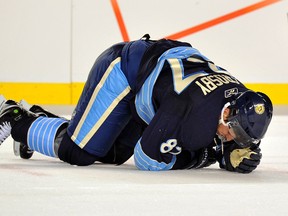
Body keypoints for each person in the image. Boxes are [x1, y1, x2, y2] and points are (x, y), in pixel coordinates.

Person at [0, 34, 273, 173]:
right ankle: (14, 116)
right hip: (124, 72)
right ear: (226, 112)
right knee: (79, 153)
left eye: (238, 135)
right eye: (232, 132)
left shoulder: (240, 100)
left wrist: (233, 154)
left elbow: (242, 132)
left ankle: (36, 119)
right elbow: (147, 159)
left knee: (111, 155)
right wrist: (210, 156)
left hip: (152, 83)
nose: (232, 137)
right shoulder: (186, 109)